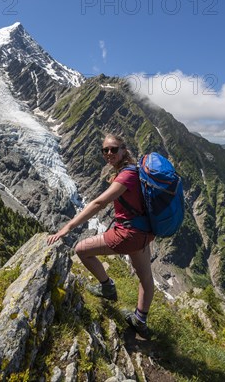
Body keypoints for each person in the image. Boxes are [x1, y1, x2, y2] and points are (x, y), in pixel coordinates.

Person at [47, 133, 155, 337]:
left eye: (114, 149)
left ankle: (107, 288)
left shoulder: (126, 175)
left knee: (81, 250)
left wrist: (67, 227)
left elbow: (99, 203)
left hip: (128, 234)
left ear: (124, 149)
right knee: (146, 278)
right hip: (143, 233)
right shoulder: (135, 170)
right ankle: (140, 321)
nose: (109, 153)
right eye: (105, 150)